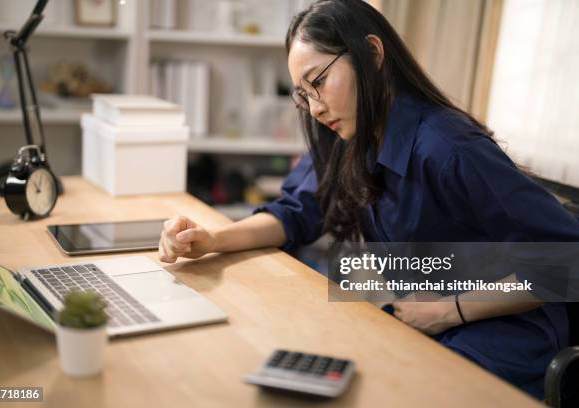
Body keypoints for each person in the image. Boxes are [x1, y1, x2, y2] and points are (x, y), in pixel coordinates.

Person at [158, 0, 579, 399]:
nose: (315, 107)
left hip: (498, 335)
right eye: (303, 94)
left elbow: (567, 261)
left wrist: (450, 310)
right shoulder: (347, 133)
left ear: (372, 53)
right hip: (423, 320)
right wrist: (212, 239)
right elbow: (296, 212)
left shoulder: (447, 148)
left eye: (319, 81)